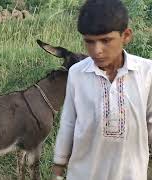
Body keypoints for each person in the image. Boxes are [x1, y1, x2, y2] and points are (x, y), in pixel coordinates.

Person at [51, 0, 152, 179]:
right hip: (84, 173)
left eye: (106, 40)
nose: (96, 50)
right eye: (89, 42)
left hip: (130, 174)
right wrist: (59, 163)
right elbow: (69, 120)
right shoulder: (77, 73)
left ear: (126, 36)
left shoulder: (146, 72)